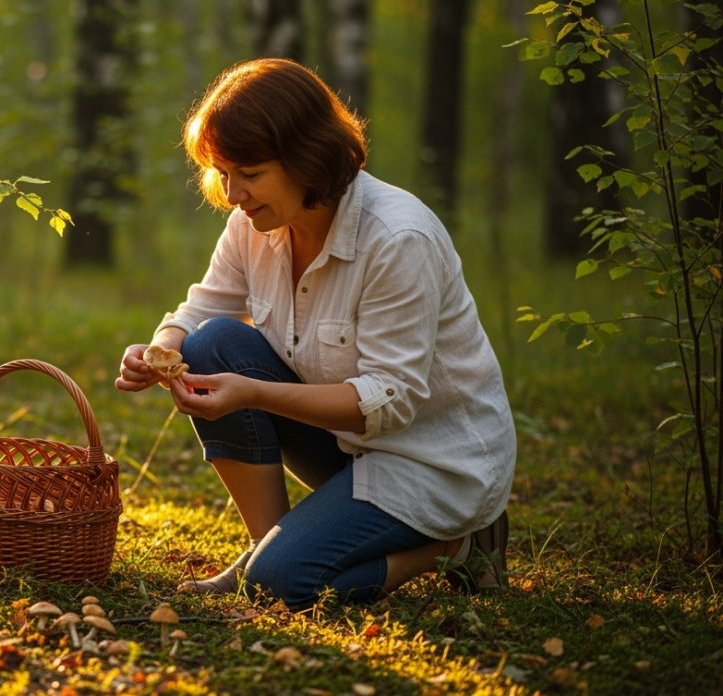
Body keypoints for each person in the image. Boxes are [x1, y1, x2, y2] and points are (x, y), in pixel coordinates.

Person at [115, 59, 515, 605]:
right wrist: (158, 350)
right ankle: (268, 546)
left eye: (249, 174)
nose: (232, 193)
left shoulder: (398, 238)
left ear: (308, 157)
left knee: (285, 586)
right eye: (222, 172)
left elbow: (389, 402)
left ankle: (455, 547)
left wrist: (253, 393)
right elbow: (201, 309)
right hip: (347, 447)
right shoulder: (254, 224)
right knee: (211, 341)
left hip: (431, 462)